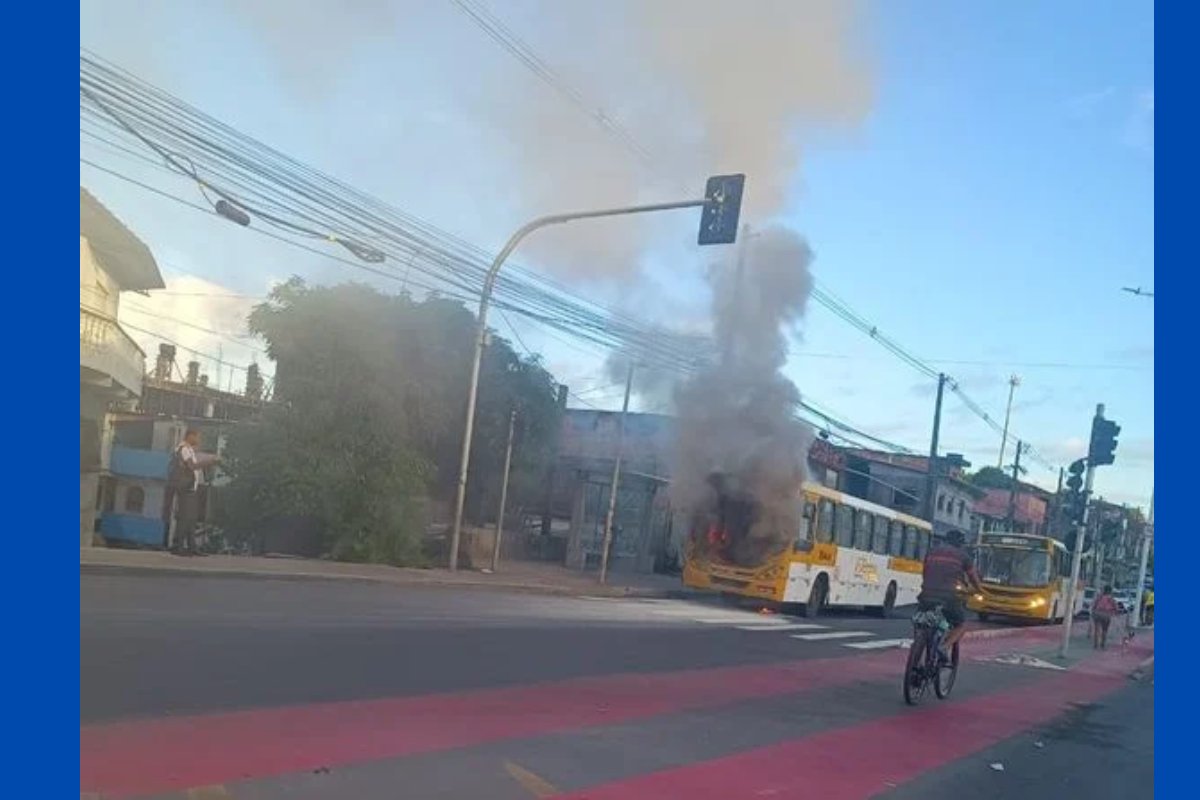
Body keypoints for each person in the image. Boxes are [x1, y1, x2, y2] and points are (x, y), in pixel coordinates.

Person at [917, 529, 983, 662]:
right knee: (960, 624)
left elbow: (925, 572)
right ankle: (944, 647)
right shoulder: (963, 557)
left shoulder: (931, 552)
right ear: (960, 544)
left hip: (926, 594)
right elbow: (974, 579)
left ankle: (918, 645)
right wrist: (979, 590)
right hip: (949, 597)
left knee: (921, 622)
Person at [167, 429, 220, 555]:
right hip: (186, 488)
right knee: (185, 518)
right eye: (197, 437)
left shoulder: (189, 449)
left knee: (191, 519)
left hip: (190, 488)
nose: (198, 440)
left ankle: (192, 547)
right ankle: (178, 546)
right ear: (190, 436)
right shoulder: (184, 449)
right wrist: (210, 461)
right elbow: (191, 466)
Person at [1091, 585, 1119, 649]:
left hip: (1097, 613)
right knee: (1104, 630)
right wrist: (1114, 612)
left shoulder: (1100, 597)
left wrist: (1093, 612)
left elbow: (1094, 605)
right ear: (1110, 591)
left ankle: (1096, 645)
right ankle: (1102, 645)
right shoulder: (1111, 599)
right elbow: (1116, 608)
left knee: (1097, 630)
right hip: (1106, 615)